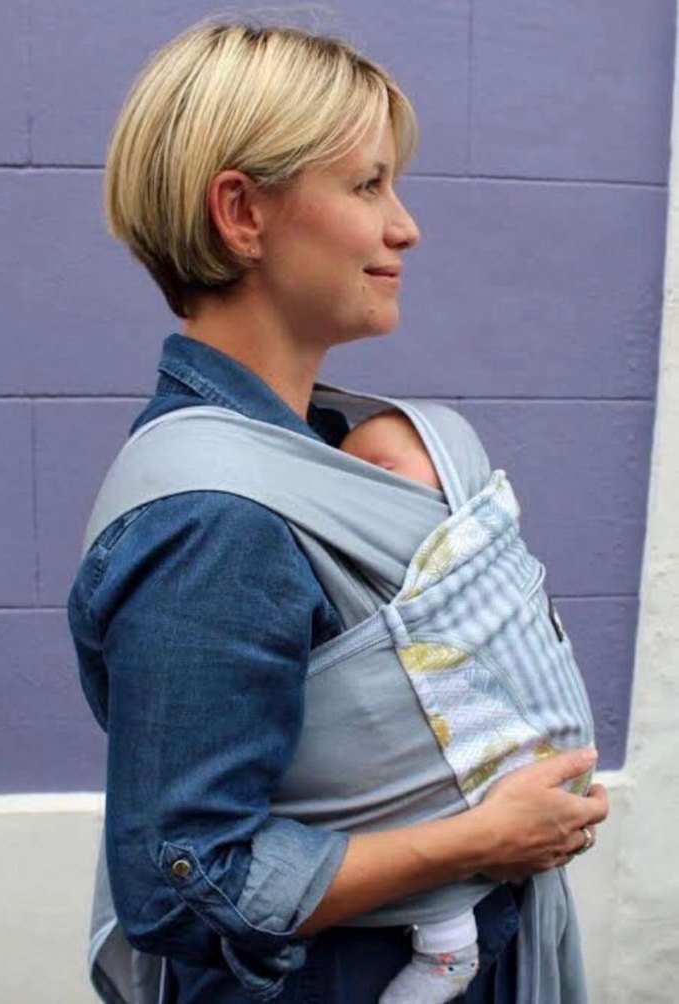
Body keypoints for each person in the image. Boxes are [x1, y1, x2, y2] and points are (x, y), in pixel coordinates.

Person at [68, 20, 608, 1004]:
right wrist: (483, 840)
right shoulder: (217, 519)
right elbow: (185, 882)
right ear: (242, 213)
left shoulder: (313, 451)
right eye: (367, 186)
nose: (405, 227)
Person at [340, 409, 594, 1003]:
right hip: (443, 817)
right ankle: (446, 952)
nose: (358, 485)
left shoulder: (477, 543)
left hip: (521, 781)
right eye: (346, 471)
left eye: (381, 469)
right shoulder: (351, 561)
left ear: (453, 480)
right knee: (442, 907)